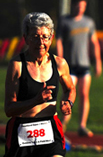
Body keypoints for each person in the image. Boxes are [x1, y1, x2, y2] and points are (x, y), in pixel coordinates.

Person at [4, 12, 75, 157]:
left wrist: (68, 103)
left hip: (50, 128)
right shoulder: (17, 65)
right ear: (26, 38)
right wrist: (35, 101)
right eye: (35, 37)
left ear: (52, 38)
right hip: (22, 130)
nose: (41, 43)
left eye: (45, 37)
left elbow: (70, 89)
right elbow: (9, 109)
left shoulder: (60, 64)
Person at [56, 0, 102, 137]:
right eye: (78, 5)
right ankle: (63, 123)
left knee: (84, 95)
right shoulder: (64, 21)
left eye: (83, 6)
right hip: (70, 65)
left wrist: (98, 61)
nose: (81, 8)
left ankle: (82, 125)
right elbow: (58, 41)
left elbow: (94, 42)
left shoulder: (88, 22)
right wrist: (60, 60)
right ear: (73, 5)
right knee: (69, 93)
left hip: (84, 64)